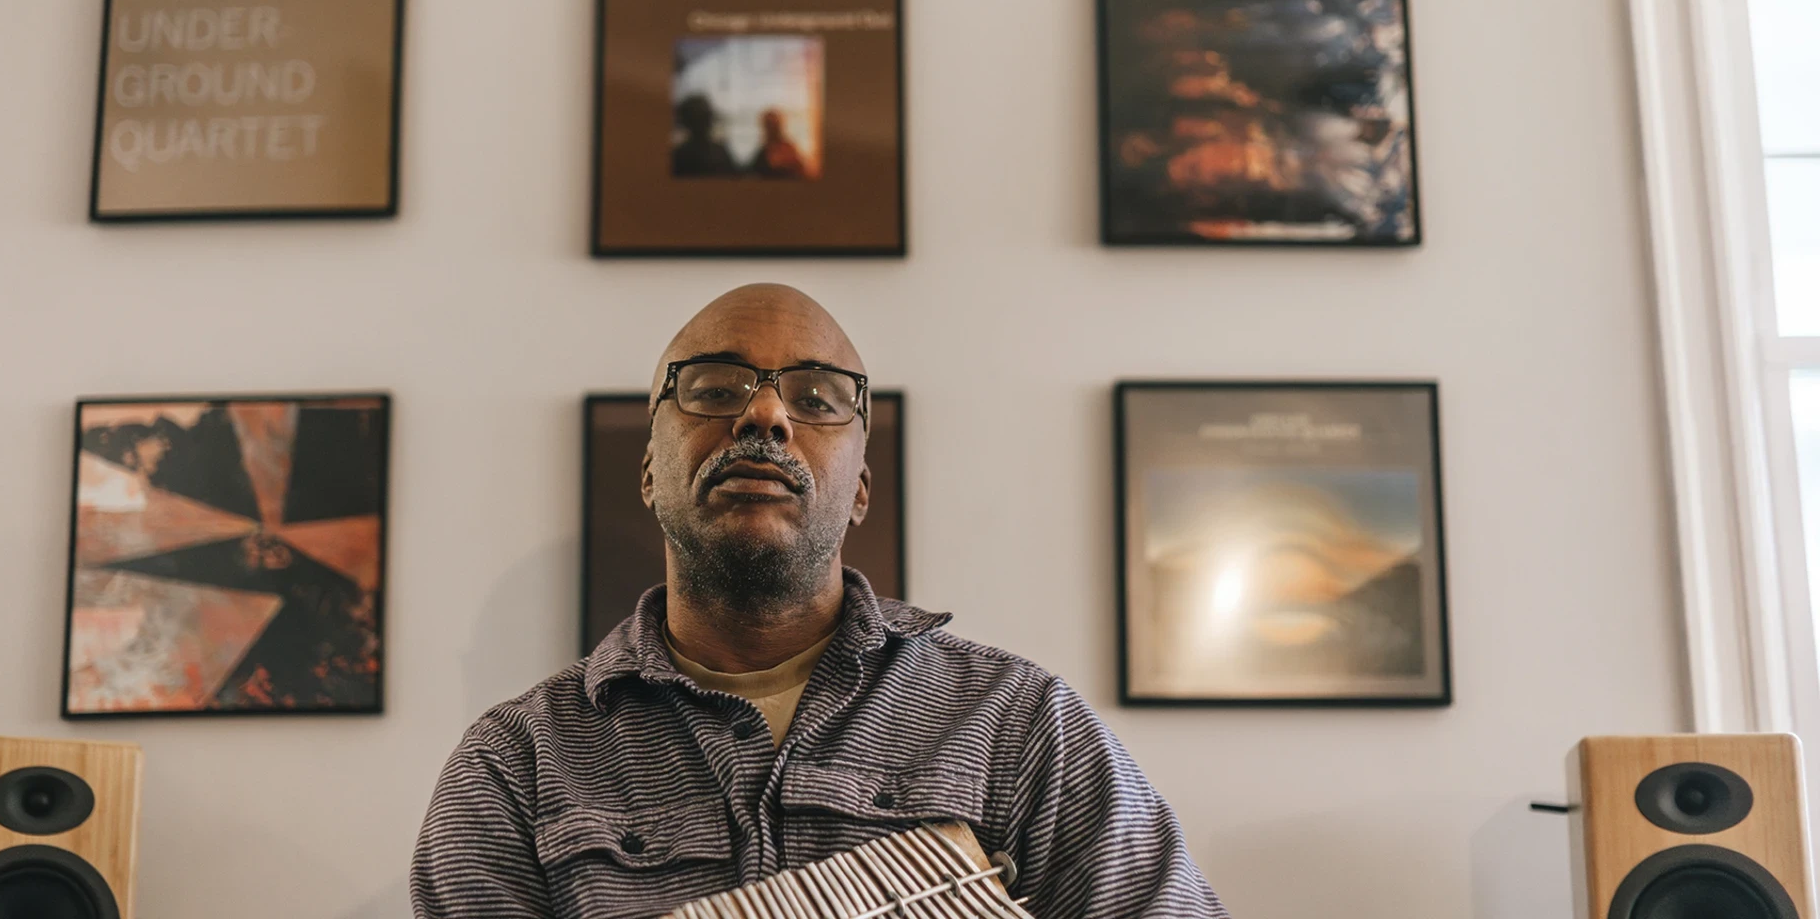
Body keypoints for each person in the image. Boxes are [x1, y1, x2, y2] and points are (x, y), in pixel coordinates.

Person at [411, 285, 1229, 919]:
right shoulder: (514, 765)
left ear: (861, 490)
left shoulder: (1020, 724)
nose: (764, 414)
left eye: (817, 399)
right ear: (652, 471)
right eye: (715, 388)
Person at [670, 94, 739, 177]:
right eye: (699, 118)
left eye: (704, 117)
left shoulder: (678, 155)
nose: (703, 122)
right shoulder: (720, 152)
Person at [751, 108, 813, 180]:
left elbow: (801, 172)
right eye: (767, 125)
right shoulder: (763, 150)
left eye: (772, 125)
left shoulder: (787, 149)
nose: (769, 129)